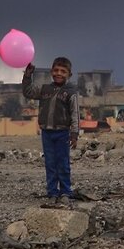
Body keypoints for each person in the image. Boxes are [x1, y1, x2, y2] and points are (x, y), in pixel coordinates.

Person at [22, 57, 79, 205]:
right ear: (51, 72)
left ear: (69, 75)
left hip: (62, 133)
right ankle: (52, 192)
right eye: (56, 70)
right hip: (47, 133)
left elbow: (75, 114)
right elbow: (28, 92)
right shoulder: (44, 89)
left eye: (63, 71)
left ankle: (65, 191)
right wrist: (28, 76)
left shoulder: (71, 93)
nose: (59, 73)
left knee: (63, 163)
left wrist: (74, 134)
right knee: (50, 163)